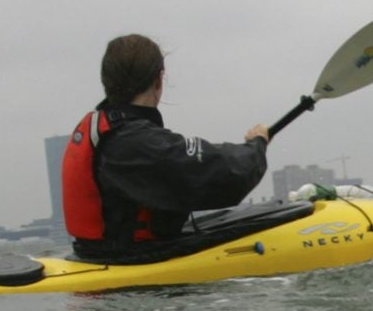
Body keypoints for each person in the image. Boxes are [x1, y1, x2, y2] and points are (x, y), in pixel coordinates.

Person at [60, 33, 271, 260]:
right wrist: (256, 145)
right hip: (128, 263)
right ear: (159, 80)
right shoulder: (132, 142)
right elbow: (228, 174)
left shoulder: (105, 130)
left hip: (96, 254)